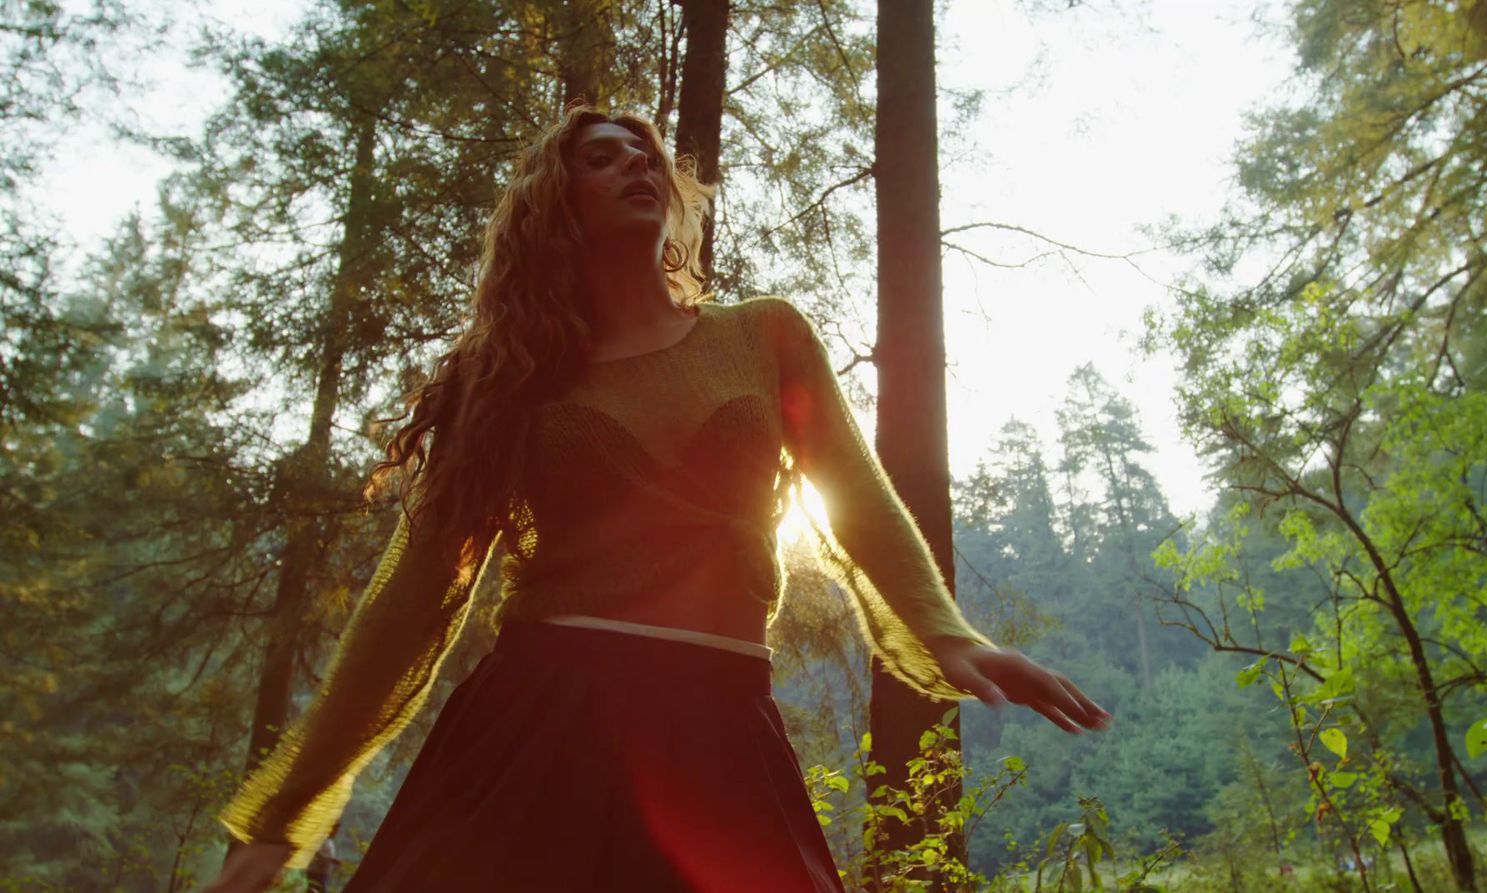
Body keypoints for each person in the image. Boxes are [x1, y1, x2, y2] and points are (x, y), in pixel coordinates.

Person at [202, 106, 1111, 893]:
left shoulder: (765, 334)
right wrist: (285, 813)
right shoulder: (510, 382)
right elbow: (412, 600)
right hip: (544, 716)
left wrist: (950, 636)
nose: (637, 163)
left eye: (643, 154)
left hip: (720, 719)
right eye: (601, 157)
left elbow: (858, 497)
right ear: (553, 211)